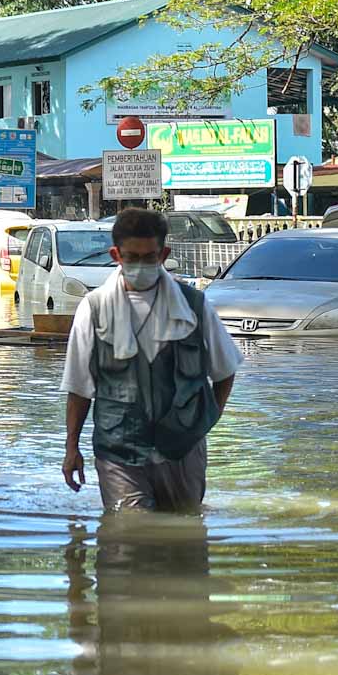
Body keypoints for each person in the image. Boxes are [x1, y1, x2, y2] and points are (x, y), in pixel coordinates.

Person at [62, 208, 242, 512]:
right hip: (118, 451)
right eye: (132, 257)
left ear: (164, 254)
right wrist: (71, 449)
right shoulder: (93, 309)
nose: (141, 266)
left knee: (184, 539)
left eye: (150, 257)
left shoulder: (194, 307)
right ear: (116, 255)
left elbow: (225, 372)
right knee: (129, 534)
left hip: (183, 450)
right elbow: (79, 388)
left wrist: (202, 424)